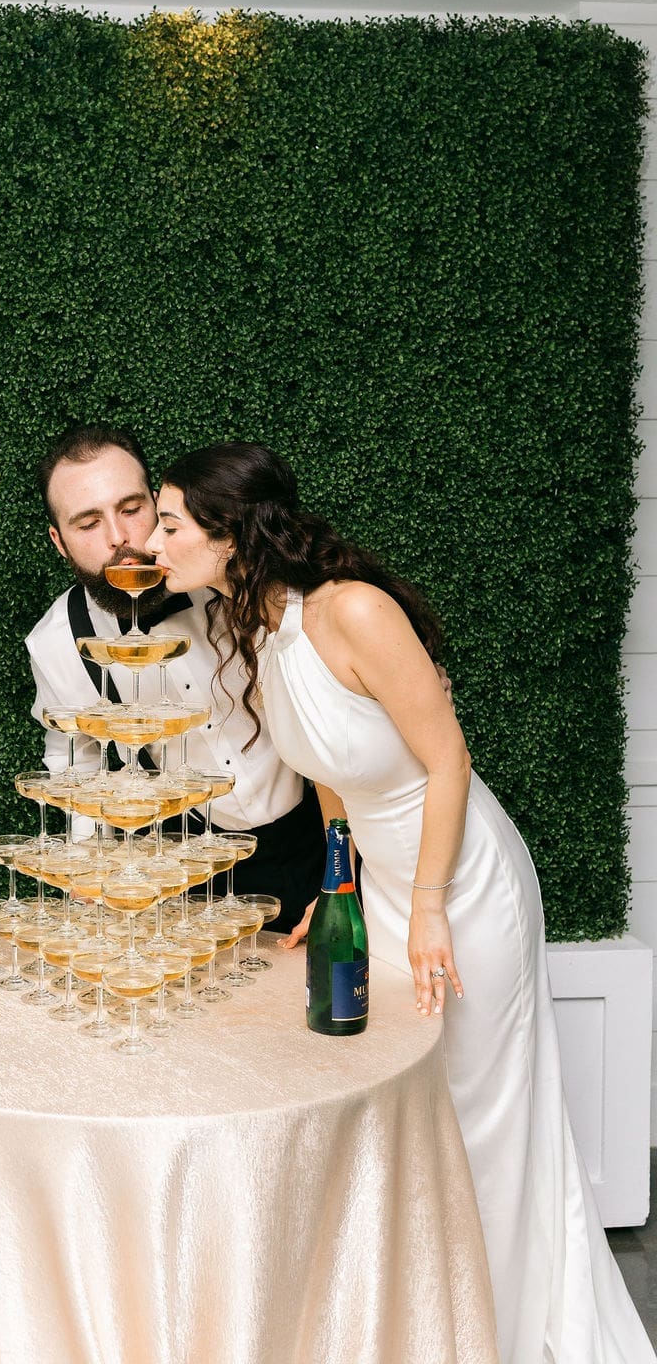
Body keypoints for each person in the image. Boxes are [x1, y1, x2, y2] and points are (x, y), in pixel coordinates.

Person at [144, 439, 654, 1364]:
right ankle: (421, 1324)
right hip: (383, 883)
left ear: (228, 533)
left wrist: (426, 906)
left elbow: (447, 760)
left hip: (463, 883)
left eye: (171, 522)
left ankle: (496, 1327)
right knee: (398, 1102)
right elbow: (331, 780)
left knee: (476, 1108)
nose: (155, 540)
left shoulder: (357, 612)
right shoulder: (263, 630)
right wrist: (340, 883)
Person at [24, 425, 323, 931]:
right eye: (88, 522)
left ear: (159, 501)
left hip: (322, 831)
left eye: (131, 508)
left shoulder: (235, 574)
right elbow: (75, 757)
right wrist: (89, 858)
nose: (119, 537)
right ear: (59, 541)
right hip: (199, 871)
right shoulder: (56, 643)